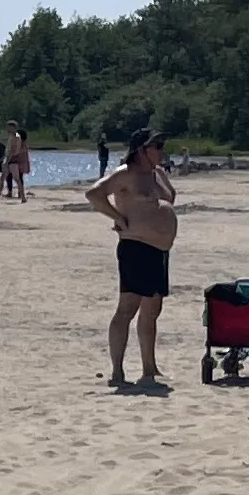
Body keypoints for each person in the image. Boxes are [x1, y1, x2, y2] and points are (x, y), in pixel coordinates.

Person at [82, 131, 179, 390]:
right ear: (141, 150)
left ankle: (150, 367)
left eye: (162, 145)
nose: (161, 150)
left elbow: (170, 196)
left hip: (159, 249)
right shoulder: (125, 173)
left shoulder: (156, 173)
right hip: (136, 247)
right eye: (156, 146)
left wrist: (161, 179)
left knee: (153, 308)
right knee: (128, 307)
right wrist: (118, 217)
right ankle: (117, 370)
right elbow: (94, 194)